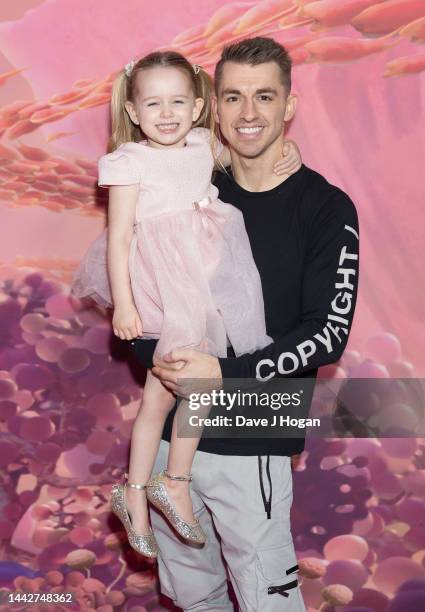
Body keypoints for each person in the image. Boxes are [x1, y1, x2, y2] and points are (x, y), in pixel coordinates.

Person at [133, 37, 359, 611]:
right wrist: (159, 357)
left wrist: (222, 374)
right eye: (233, 96)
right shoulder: (189, 187)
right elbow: (140, 289)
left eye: (265, 96)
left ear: (289, 105)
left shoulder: (326, 208)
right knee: (194, 599)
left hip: (251, 436)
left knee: (269, 603)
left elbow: (327, 333)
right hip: (165, 447)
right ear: (214, 104)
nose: (249, 113)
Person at [72, 50, 301, 559]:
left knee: (178, 389)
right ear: (133, 113)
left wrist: (294, 151)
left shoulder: (202, 143)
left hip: (213, 285)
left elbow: (248, 153)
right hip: (166, 286)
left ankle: (148, 488)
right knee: (169, 392)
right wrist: (124, 306)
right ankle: (154, 486)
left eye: (177, 101)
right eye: (153, 104)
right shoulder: (130, 162)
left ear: (198, 106)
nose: (167, 113)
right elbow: (119, 241)